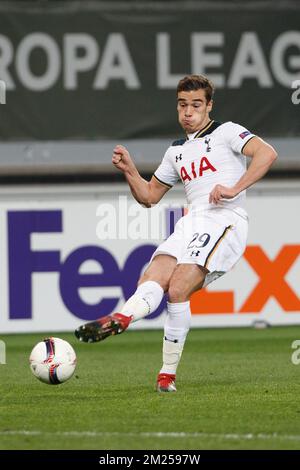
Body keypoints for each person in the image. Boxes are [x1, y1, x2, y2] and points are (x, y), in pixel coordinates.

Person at [75, 74, 277, 392]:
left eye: (196, 104)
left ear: (209, 106)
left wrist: (235, 187)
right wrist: (130, 170)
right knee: (153, 276)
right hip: (192, 222)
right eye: (182, 105)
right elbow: (150, 197)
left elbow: (267, 154)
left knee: (178, 288)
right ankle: (122, 318)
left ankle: (167, 374)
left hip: (226, 220)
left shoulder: (227, 132)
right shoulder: (176, 151)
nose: (188, 112)